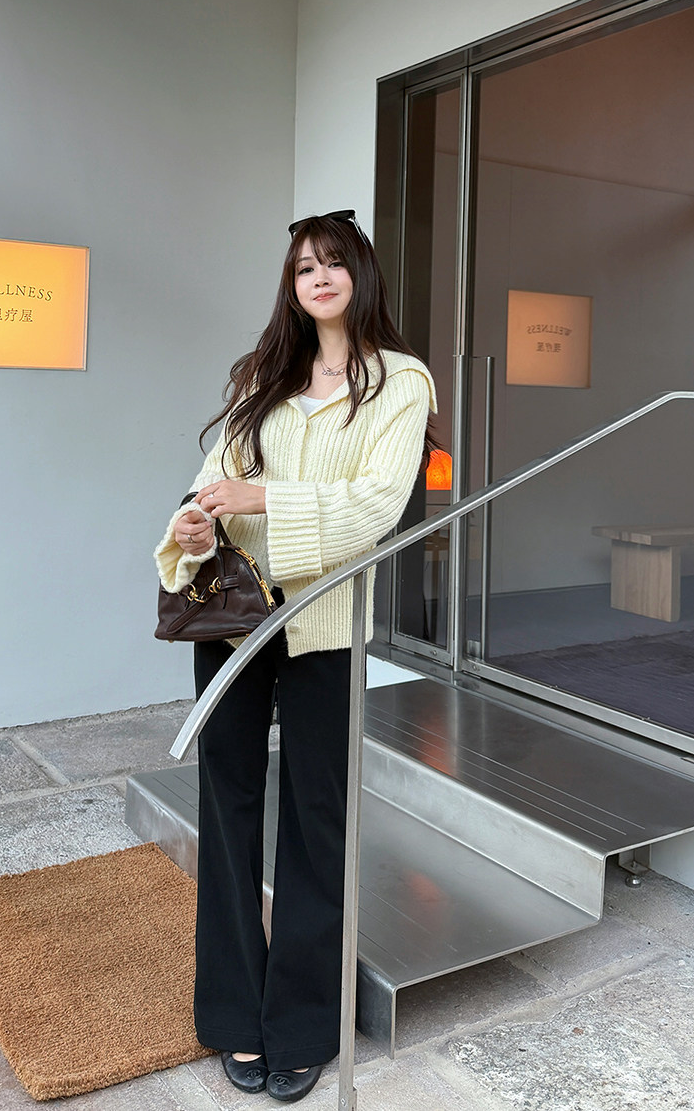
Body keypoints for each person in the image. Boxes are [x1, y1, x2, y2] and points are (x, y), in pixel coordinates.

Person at [153, 209, 437, 1103]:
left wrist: (263, 498)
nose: (318, 276)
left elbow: (378, 505)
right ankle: (232, 1016)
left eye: (333, 262)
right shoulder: (262, 375)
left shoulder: (400, 382)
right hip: (235, 620)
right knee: (227, 808)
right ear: (292, 284)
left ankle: (305, 1026)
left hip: (324, 625)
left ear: (360, 273)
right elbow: (214, 486)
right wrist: (196, 525)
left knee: (316, 822)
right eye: (303, 265)